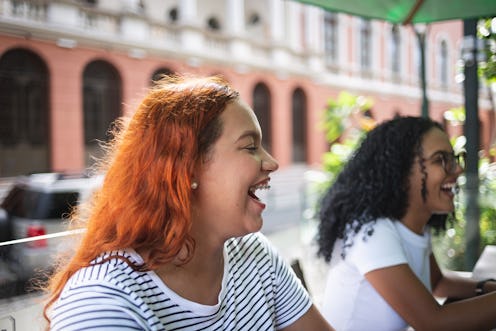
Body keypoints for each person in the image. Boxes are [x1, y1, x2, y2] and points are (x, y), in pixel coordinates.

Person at [43, 75, 334, 331]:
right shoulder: (102, 305)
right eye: (250, 147)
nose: (272, 163)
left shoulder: (253, 253)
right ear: (187, 169)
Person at [317, 116, 496, 331]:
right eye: (440, 160)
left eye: (454, 158)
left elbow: (438, 283)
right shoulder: (373, 233)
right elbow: (433, 322)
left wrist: (485, 287)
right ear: (401, 171)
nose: (457, 169)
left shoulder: (414, 225)